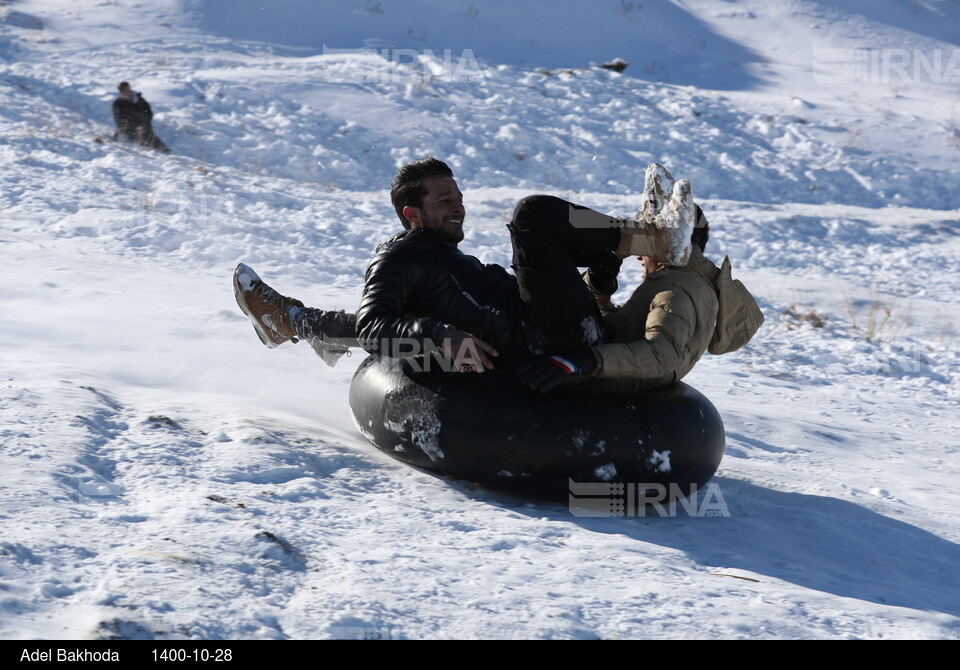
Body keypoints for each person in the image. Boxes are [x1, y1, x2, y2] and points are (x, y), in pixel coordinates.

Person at [234, 157, 696, 374]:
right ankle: (654, 238)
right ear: (410, 214)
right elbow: (374, 326)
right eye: (444, 201)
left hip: (554, 327)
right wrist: (440, 336)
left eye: (458, 197)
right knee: (533, 216)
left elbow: (373, 325)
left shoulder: (442, 260)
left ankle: (643, 238)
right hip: (539, 338)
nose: (458, 207)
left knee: (561, 239)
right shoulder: (399, 254)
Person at [517, 199, 765, 394]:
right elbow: (620, 333)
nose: (638, 257)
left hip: (581, 356)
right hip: (582, 347)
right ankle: (619, 241)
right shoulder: (685, 283)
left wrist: (582, 362)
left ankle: (627, 236)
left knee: (535, 214)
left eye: (645, 243)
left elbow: (661, 355)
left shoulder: (678, 290)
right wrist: (599, 293)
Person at [112, 82, 170, 153]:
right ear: (121, 92)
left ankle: (164, 151)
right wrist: (134, 125)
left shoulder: (140, 100)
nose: (128, 92)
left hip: (144, 126)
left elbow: (148, 113)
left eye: (129, 89)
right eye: (125, 91)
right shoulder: (118, 104)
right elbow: (119, 120)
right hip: (128, 129)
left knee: (149, 136)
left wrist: (142, 123)